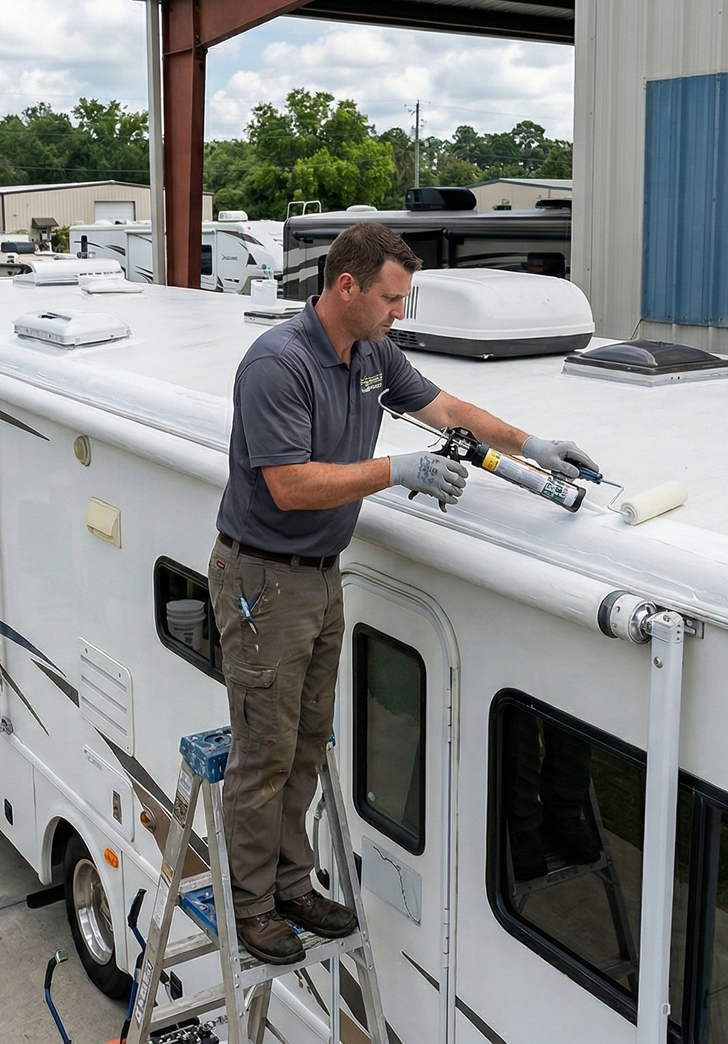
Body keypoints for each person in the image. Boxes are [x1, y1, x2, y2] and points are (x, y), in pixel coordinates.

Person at [208, 221, 598, 964]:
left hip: (320, 577)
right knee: (263, 755)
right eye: (391, 298)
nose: (399, 313)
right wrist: (399, 470)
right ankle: (255, 905)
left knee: (305, 745)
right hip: (263, 579)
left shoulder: (371, 354)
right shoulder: (278, 364)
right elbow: (290, 486)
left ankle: (292, 883)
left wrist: (534, 445)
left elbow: (449, 409)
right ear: (346, 286)